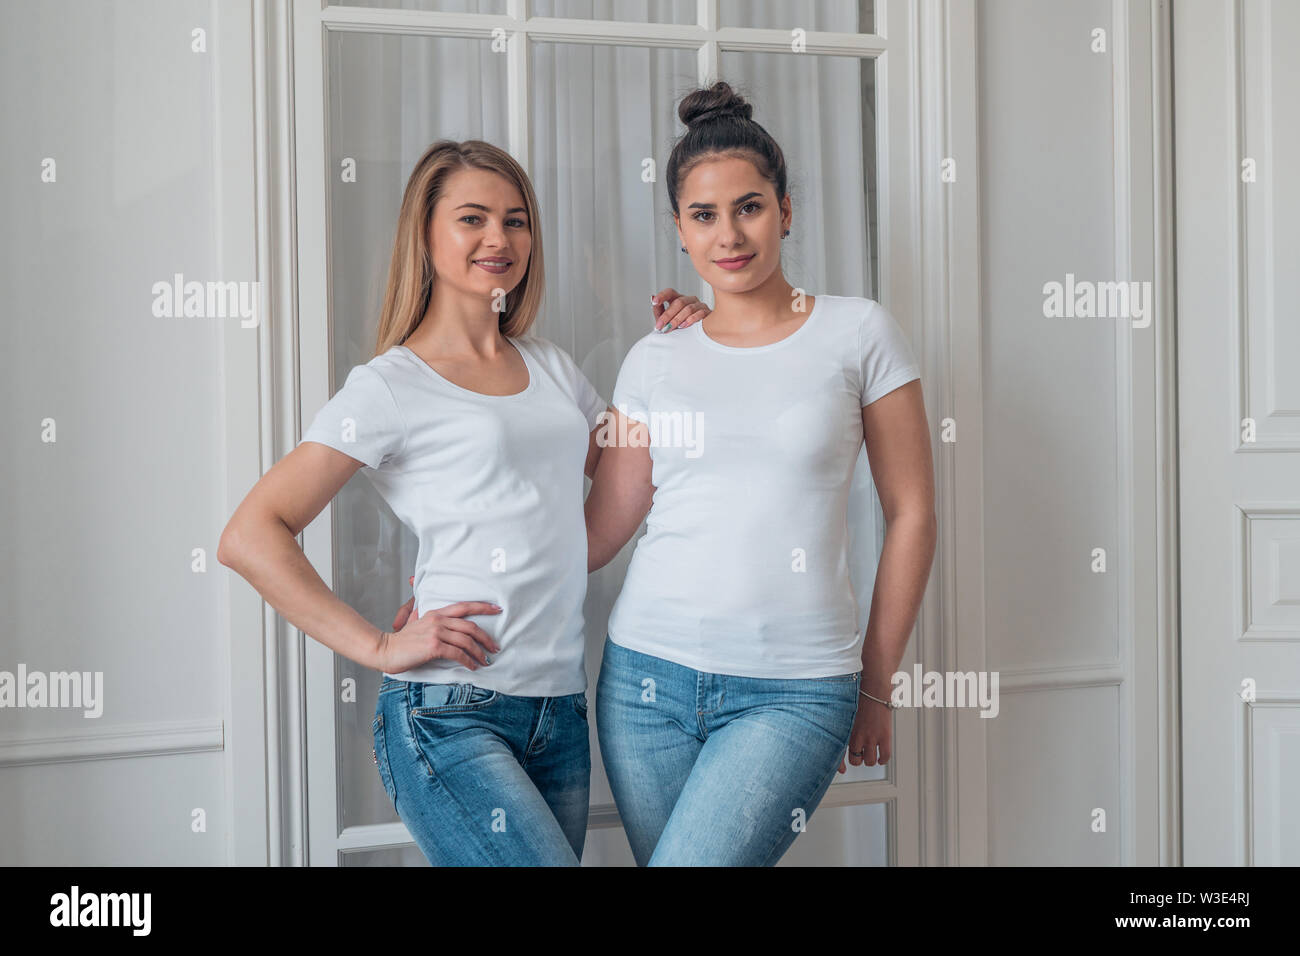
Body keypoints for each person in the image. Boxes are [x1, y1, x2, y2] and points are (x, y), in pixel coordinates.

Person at [217, 138, 706, 866]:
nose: (498, 239)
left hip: (559, 711)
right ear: (425, 233)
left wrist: (678, 348)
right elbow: (251, 533)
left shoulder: (550, 367)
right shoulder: (391, 385)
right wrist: (378, 647)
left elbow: (637, 467)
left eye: (515, 221)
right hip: (449, 714)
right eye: (471, 219)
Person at [582, 81, 937, 866]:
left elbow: (911, 512)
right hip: (644, 685)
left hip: (797, 688)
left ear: (785, 209)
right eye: (703, 216)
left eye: (748, 207)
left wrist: (875, 682)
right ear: (679, 229)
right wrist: (459, 575)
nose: (728, 235)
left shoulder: (860, 332)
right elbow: (600, 532)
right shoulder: (655, 357)